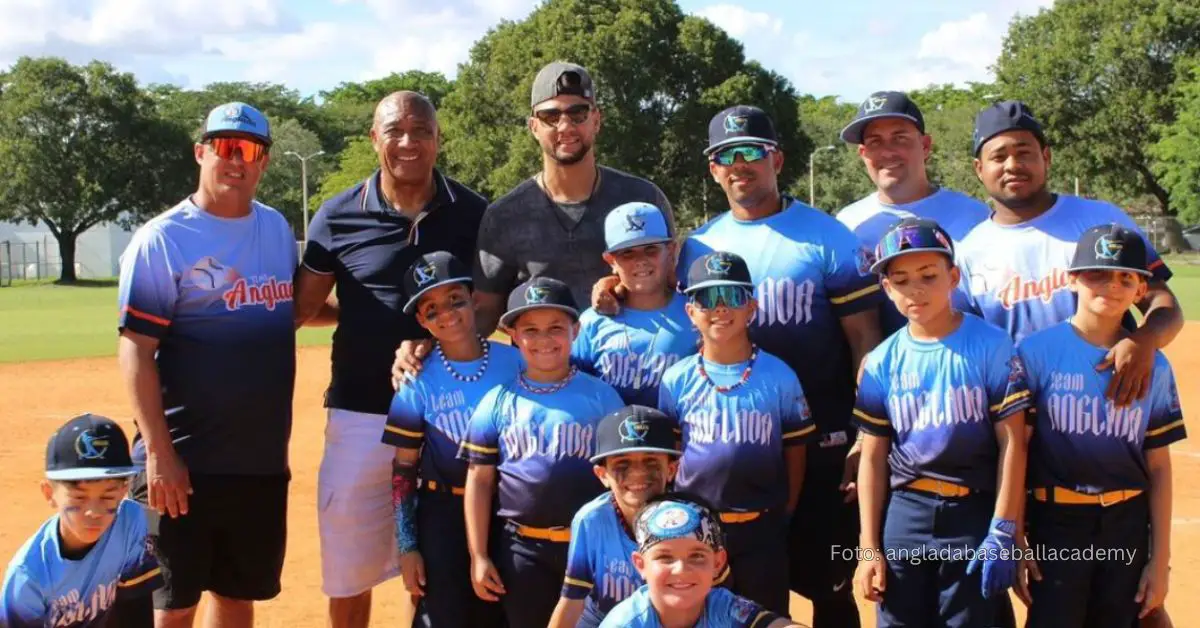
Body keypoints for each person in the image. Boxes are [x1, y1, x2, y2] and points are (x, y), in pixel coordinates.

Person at [672, 105, 882, 627]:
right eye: (725, 155)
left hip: (821, 441)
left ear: (777, 159)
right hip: (734, 446)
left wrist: (865, 431)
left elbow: (865, 341)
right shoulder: (699, 245)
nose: (739, 163)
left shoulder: (826, 235)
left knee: (829, 587)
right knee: (732, 591)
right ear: (713, 170)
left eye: (751, 151)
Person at [292, 91, 488, 628]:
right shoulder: (336, 216)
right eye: (395, 131)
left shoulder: (473, 212)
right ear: (374, 139)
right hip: (361, 411)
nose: (408, 142)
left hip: (451, 413)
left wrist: (438, 337)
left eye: (421, 130)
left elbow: (490, 304)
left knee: (431, 561)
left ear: (437, 138)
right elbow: (304, 309)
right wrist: (362, 314)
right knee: (350, 573)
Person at [117, 101, 296, 628]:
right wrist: (159, 457)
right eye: (224, 147)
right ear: (201, 152)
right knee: (172, 605)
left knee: (238, 597)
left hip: (259, 461)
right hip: (183, 462)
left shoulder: (276, 229)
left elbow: (287, 309)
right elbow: (136, 349)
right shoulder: (164, 239)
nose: (236, 160)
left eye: (250, 150)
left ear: (264, 161)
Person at [852, 218, 1030, 627]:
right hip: (905, 513)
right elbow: (873, 457)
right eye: (900, 279)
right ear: (886, 289)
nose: (915, 289)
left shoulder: (991, 346)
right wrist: (867, 546)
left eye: (929, 276)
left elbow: (1014, 443)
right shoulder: (881, 362)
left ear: (953, 277)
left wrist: (1003, 528)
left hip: (972, 511)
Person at [956, 100, 1184, 404]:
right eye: (998, 156)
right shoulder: (970, 251)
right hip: (1016, 414)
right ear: (979, 169)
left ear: (1046, 157)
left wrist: (1145, 340)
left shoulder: (1101, 220)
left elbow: (1161, 299)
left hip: (1107, 405)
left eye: (1024, 152)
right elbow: (963, 340)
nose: (1012, 165)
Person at [1016, 224, 1186, 627]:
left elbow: (1159, 467)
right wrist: (1016, 537)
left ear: (1141, 291)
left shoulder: (1155, 365)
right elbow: (1018, 450)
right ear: (1072, 280)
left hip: (1126, 523)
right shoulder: (1036, 353)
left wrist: (1159, 563)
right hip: (1056, 524)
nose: (1111, 285)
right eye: (1097, 274)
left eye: (1126, 277)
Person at [459, 276, 625, 627]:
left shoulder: (601, 396)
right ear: (513, 336)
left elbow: (622, 477)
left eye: (555, 327)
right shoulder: (497, 401)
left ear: (575, 330)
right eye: (530, 330)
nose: (543, 339)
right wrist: (479, 555)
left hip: (590, 544)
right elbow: (480, 480)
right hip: (523, 549)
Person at [658, 251, 817, 615]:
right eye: (707, 298)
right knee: (697, 617)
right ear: (690, 311)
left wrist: (784, 510)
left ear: (752, 308)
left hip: (761, 528)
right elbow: (672, 454)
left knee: (763, 616)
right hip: (694, 531)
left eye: (732, 297)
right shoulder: (676, 379)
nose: (720, 308)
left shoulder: (779, 376)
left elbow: (795, 452)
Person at [380, 251, 521, 628]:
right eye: (431, 309)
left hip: (508, 510)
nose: (446, 313)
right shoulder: (417, 380)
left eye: (455, 300)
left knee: (505, 611)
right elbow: (404, 468)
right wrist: (408, 547)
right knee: (444, 614)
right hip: (442, 511)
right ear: (420, 320)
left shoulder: (517, 363)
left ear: (474, 300)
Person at [835, 91, 989, 336]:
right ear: (863, 154)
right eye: (875, 142)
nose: (887, 152)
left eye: (900, 138)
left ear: (925, 146)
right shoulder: (846, 224)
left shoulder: (976, 217)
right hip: (883, 369)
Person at [1, 414, 160, 628]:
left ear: (124, 491)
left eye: (107, 496)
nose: (94, 512)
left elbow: (135, 609)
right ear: (49, 493)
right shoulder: (28, 575)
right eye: (79, 497)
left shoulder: (132, 522)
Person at [549, 405, 683, 628]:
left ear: (671, 469)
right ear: (602, 474)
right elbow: (572, 600)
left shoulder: (691, 519)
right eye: (622, 463)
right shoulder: (590, 520)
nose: (638, 472)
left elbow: (712, 603)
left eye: (650, 460)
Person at [599, 494, 809, 628]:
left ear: (718, 563)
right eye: (664, 557)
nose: (681, 569)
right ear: (640, 565)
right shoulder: (624, 623)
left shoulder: (721, 605)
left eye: (697, 556)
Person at [572, 201, 699, 406]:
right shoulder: (591, 322)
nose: (640, 260)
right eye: (627, 253)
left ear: (671, 251)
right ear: (610, 260)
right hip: (607, 435)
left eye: (651, 249)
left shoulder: (694, 314)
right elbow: (573, 388)